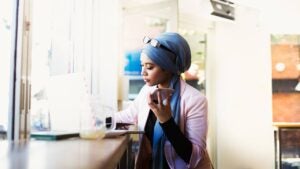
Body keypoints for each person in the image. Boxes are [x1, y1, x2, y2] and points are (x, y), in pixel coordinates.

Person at [115, 32, 212, 169]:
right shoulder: (146, 91)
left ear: (168, 67)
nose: (143, 72)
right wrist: (98, 121)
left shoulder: (195, 100)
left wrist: (166, 120)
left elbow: (195, 156)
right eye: (142, 65)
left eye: (149, 67)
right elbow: (128, 116)